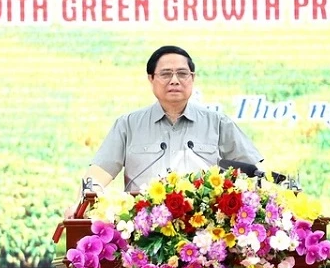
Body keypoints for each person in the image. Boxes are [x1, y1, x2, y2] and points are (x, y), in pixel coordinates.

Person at [67, 45, 263, 216]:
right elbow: (98, 174)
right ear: (151, 78)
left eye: (182, 74)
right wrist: (80, 204)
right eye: (166, 74)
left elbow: (253, 174)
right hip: (142, 231)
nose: (175, 80)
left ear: (192, 78)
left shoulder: (218, 123)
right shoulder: (128, 125)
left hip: (204, 231)